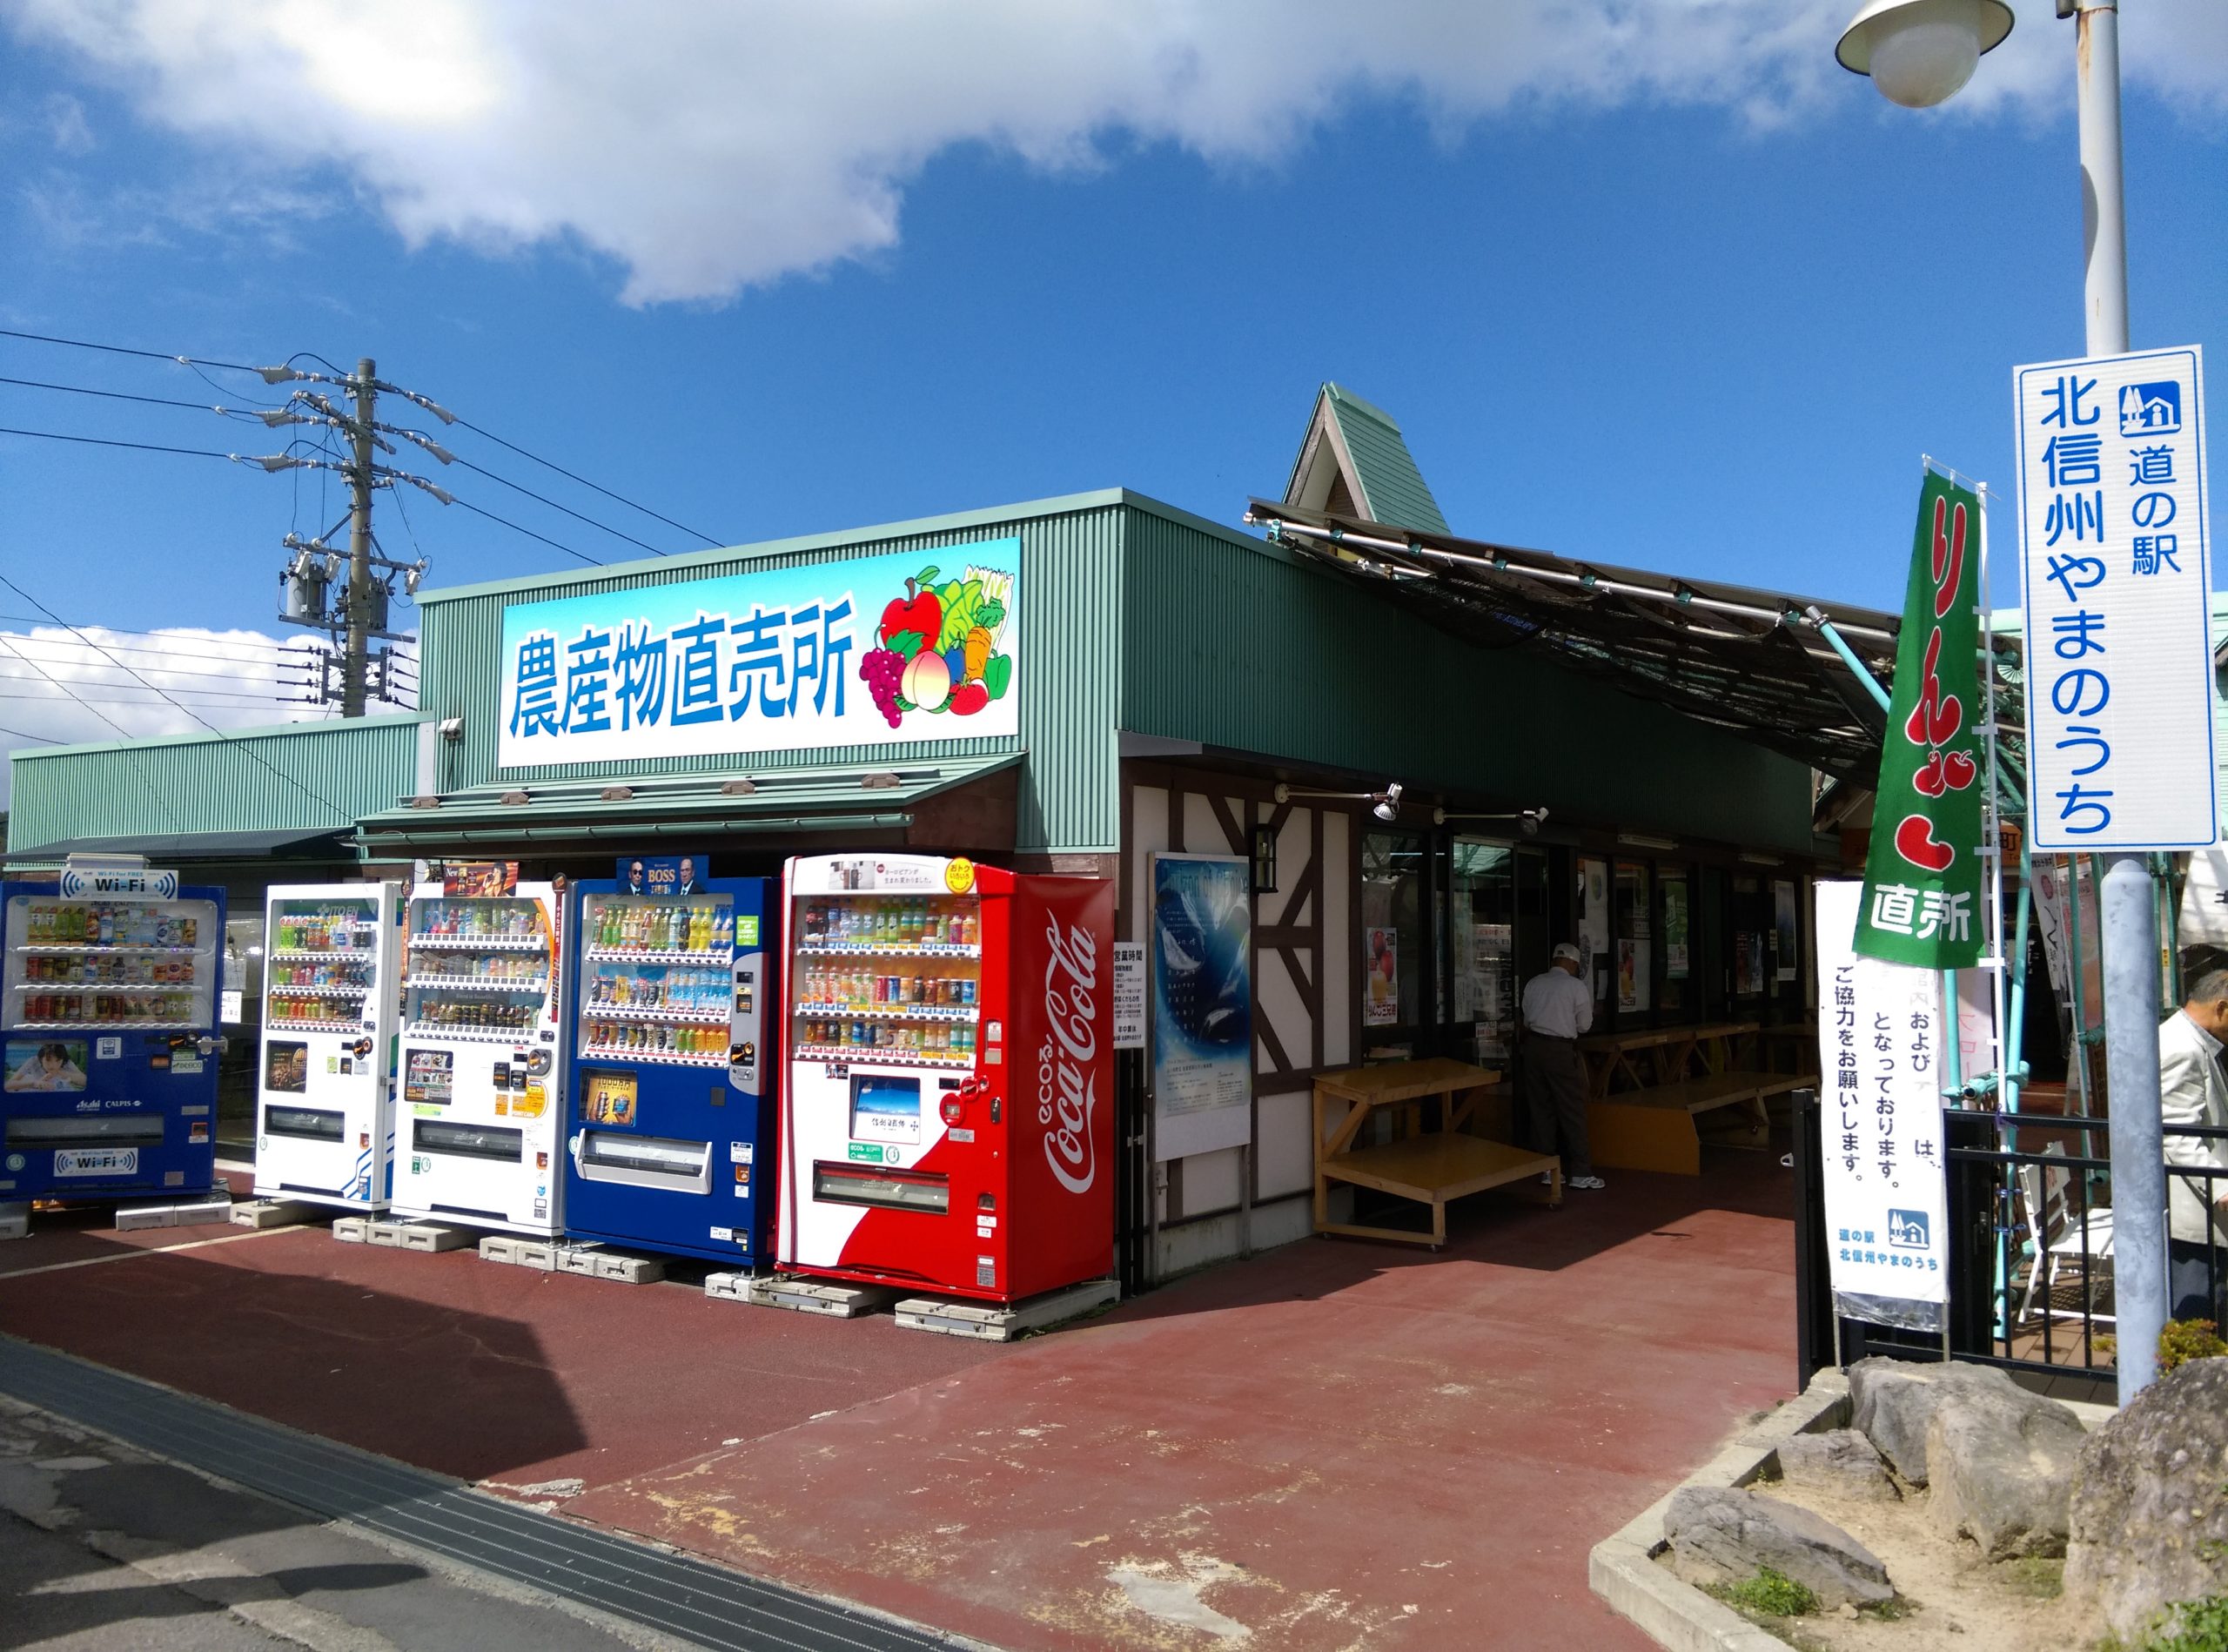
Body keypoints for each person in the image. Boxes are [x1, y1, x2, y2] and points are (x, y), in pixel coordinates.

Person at [2159, 968, 2228, 1323]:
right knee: (2196, 1311)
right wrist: (2221, 1189)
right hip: (2196, 1213)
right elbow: (2175, 1132)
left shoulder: (2192, 1040)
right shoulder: (2182, 1048)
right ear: (2222, 1008)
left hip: (2199, 1210)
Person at [1521, 942, 1601, 1191]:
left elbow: (1525, 1017)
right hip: (1560, 1050)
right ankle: (1580, 1170)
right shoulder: (1575, 986)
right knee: (1571, 1108)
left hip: (1533, 1048)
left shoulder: (1534, 983)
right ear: (1573, 963)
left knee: (1540, 1107)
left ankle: (1547, 1168)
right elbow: (1584, 1025)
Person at [6, 1042, 84, 1092]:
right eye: (48, 1060)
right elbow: (8, 1085)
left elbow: (85, 1081)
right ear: (40, 1058)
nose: (53, 1065)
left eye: (58, 1061)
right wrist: (34, 1083)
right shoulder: (33, 1061)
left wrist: (61, 1073)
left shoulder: (66, 1062)